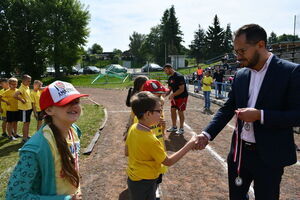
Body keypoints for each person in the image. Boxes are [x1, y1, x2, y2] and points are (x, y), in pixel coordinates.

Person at [195, 24, 300, 200]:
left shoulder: (290, 71)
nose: (238, 57)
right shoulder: (241, 74)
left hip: (270, 156)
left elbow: (297, 114)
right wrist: (207, 134)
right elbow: (228, 108)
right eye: (236, 51)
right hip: (240, 153)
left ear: (260, 45)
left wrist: (261, 115)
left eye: (242, 51)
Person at [6, 80, 88, 200]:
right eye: (66, 102)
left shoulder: (74, 131)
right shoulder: (36, 148)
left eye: (76, 101)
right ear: (49, 110)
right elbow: (15, 196)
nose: (75, 105)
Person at [125, 91, 196, 200]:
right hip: (145, 181)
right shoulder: (151, 140)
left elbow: (127, 152)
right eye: (159, 111)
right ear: (148, 114)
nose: (161, 113)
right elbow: (168, 161)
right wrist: (190, 144)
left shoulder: (134, 127)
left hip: (134, 178)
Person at [142, 80, 169, 197]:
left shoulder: (159, 110)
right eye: (157, 95)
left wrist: (163, 125)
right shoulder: (141, 114)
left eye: (161, 95)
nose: (160, 98)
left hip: (158, 144)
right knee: (148, 174)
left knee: (158, 173)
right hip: (148, 149)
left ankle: (156, 188)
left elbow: (162, 132)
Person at [163, 63, 189, 135]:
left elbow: (182, 89)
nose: (165, 72)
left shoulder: (179, 76)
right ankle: (174, 127)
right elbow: (169, 89)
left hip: (182, 97)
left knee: (180, 111)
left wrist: (173, 94)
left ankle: (181, 128)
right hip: (175, 97)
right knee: (172, 110)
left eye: (166, 71)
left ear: (169, 69)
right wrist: (164, 95)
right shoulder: (170, 78)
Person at [124, 75, 149, 139]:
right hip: (138, 118)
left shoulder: (136, 92)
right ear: (141, 85)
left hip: (135, 117)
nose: (148, 85)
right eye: (146, 83)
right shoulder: (138, 95)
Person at [14, 74, 33, 143]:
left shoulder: (26, 87)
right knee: (26, 123)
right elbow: (15, 95)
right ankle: (24, 138)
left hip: (29, 108)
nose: (29, 82)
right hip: (24, 109)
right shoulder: (21, 88)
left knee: (27, 123)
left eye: (30, 81)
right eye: (28, 81)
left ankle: (26, 135)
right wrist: (21, 100)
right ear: (23, 81)